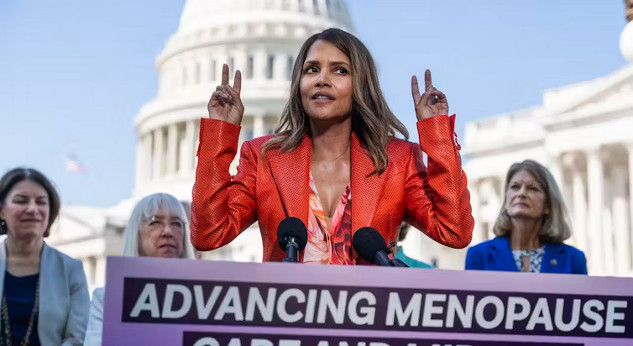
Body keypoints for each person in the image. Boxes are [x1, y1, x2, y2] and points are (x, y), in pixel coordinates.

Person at [191, 28, 474, 264]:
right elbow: (208, 234)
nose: (322, 80)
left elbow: (454, 231)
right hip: (286, 320)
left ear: (361, 85)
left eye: (339, 70)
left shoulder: (397, 159)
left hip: (367, 321)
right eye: (311, 69)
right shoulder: (263, 156)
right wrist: (221, 131)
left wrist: (437, 132)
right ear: (298, 84)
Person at [83, 193, 196, 346]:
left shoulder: (207, 299)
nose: (168, 231)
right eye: (155, 222)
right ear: (136, 234)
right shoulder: (106, 300)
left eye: (176, 224)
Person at [0, 167, 89, 345]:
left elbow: (77, 338)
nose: (33, 209)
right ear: (1, 210)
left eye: (41, 202)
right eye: (21, 201)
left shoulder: (71, 270)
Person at [465, 160, 587, 274]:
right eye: (515, 187)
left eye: (532, 188)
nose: (521, 193)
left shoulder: (573, 259)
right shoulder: (478, 255)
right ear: (506, 200)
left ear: (548, 206)